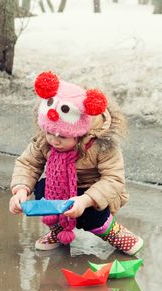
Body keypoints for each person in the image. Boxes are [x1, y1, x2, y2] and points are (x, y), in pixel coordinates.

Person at [9, 71, 144, 255]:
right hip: (61, 189)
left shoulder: (101, 145)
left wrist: (85, 200)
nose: (54, 141)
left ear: (81, 133)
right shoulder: (46, 138)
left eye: (62, 137)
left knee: (91, 216)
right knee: (43, 192)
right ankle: (58, 231)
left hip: (93, 194)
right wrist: (21, 190)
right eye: (49, 134)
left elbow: (113, 180)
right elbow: (29, 163)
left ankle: (112, 231)